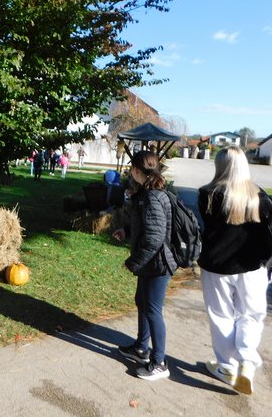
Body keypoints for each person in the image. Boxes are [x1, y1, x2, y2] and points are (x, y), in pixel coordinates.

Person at [198, 145, 272, 395]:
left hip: (217, 265)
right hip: (253, 267)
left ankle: (226, 366)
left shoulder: (207, 194)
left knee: (221, 316)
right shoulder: (259, 196)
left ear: (219, 165)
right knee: (251, 315)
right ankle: (246, 362)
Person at [112, 150, 177, 381]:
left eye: (132, 168)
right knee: (141, 302)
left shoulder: (152, 197)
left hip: (158, 263)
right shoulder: (146, 193)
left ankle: (159, 362)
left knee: (152, 309)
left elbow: (155, 237)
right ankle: (141, 347)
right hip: (151, 262)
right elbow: (147, 228)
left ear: (138, 170)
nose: (130, 172)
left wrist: (134, 262)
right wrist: (127, 231)